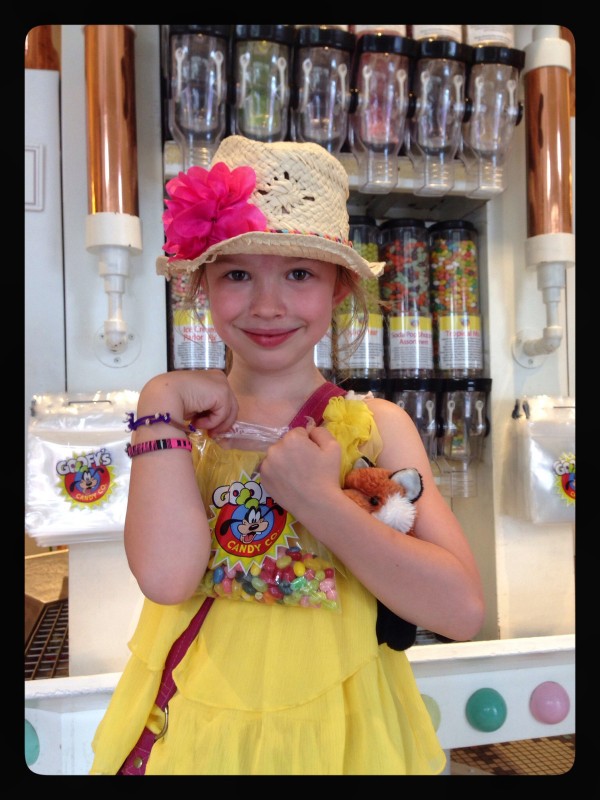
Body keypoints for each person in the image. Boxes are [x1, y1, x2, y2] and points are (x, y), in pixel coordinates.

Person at [90, 135, 484, 776]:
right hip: (198, 729)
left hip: (344, 736)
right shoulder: (178, 429)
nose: (267, 304)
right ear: (202, 289)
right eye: (237, 274)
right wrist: (157, 398)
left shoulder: (377, 429)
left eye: (299, 274)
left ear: (338, 289)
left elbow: (461, 609)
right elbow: (166, 579)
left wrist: (320, 503)